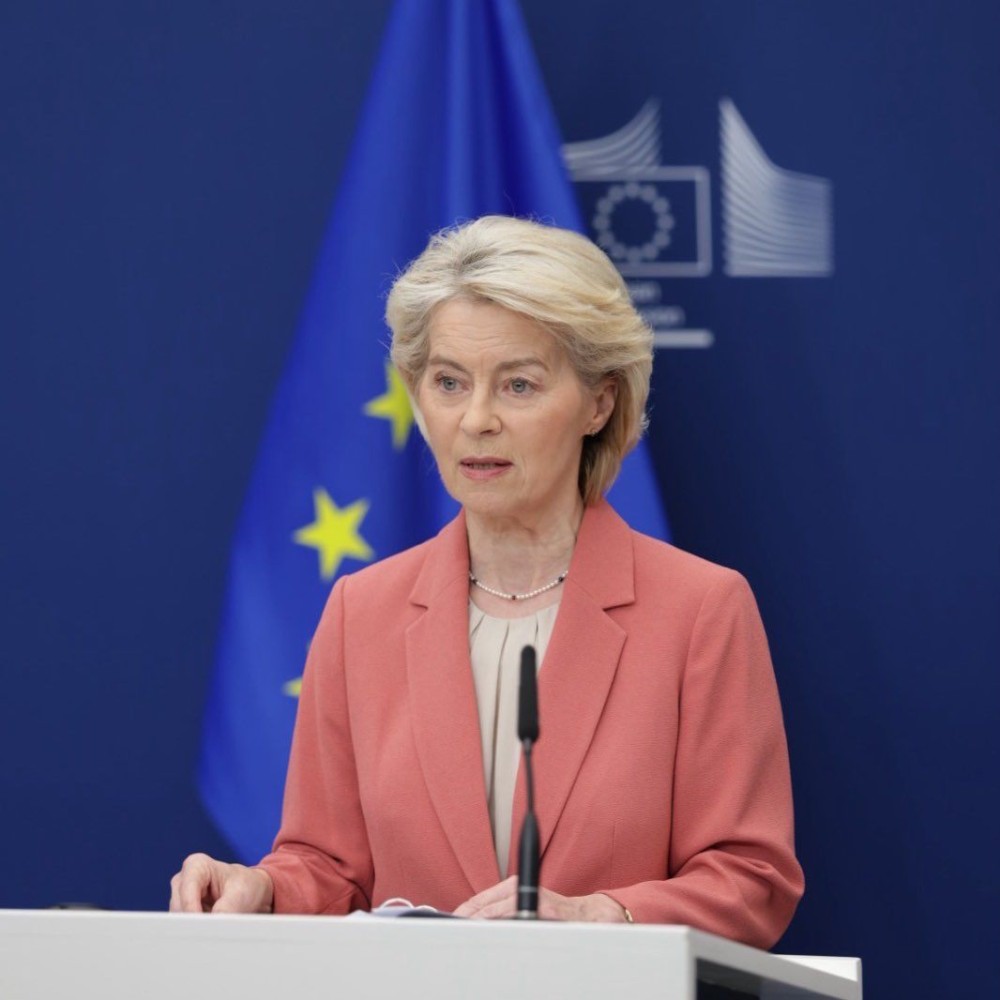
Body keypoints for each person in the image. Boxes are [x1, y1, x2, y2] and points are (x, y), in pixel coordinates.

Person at [170, 215, 804, 948]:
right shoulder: (361, 612)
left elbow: (751, 877)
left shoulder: (699, 611)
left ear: (599, 403)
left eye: (518, 385)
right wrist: (266, 890)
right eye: (449, 382)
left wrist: (603, 916)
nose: (476, 419)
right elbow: (330, 868)